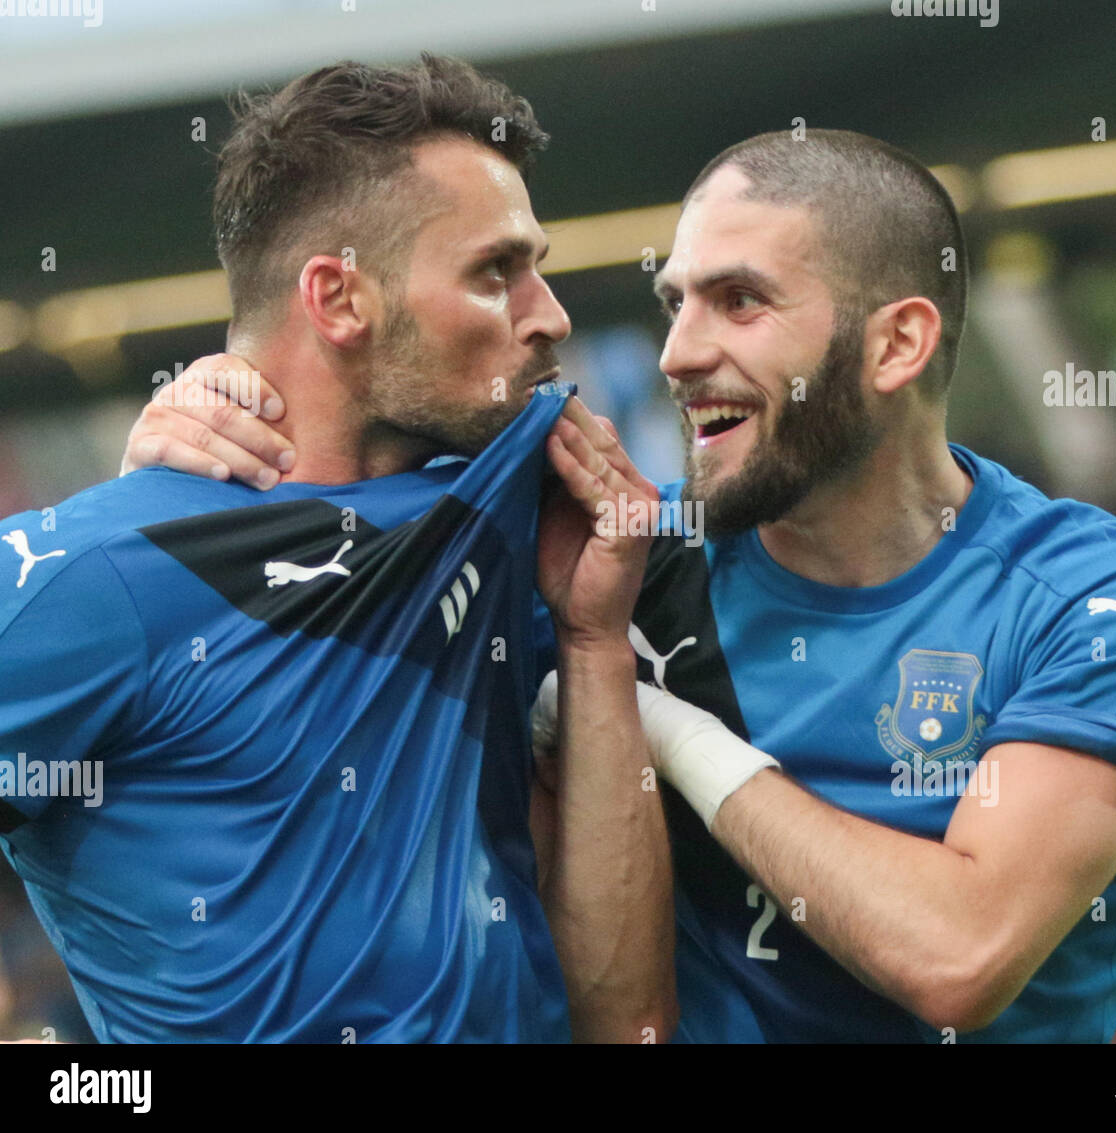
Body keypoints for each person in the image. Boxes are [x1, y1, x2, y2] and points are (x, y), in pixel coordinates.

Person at [126, 129, 1116, 1043]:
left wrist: (668, 731)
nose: (677, 352)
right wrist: (189, 465)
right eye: (674, 300)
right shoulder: (611, 562)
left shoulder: (1101, 601)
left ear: (895, 344)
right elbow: (292, 635)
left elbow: (959, 956)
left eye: (738, 302)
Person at [1, 54, 673, 1043]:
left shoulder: (524, 494)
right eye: (496, 272)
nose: (551, 315)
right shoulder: (89, 574)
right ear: (338, 299)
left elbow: (626, 1020)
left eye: (537, 264)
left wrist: (593, 643)